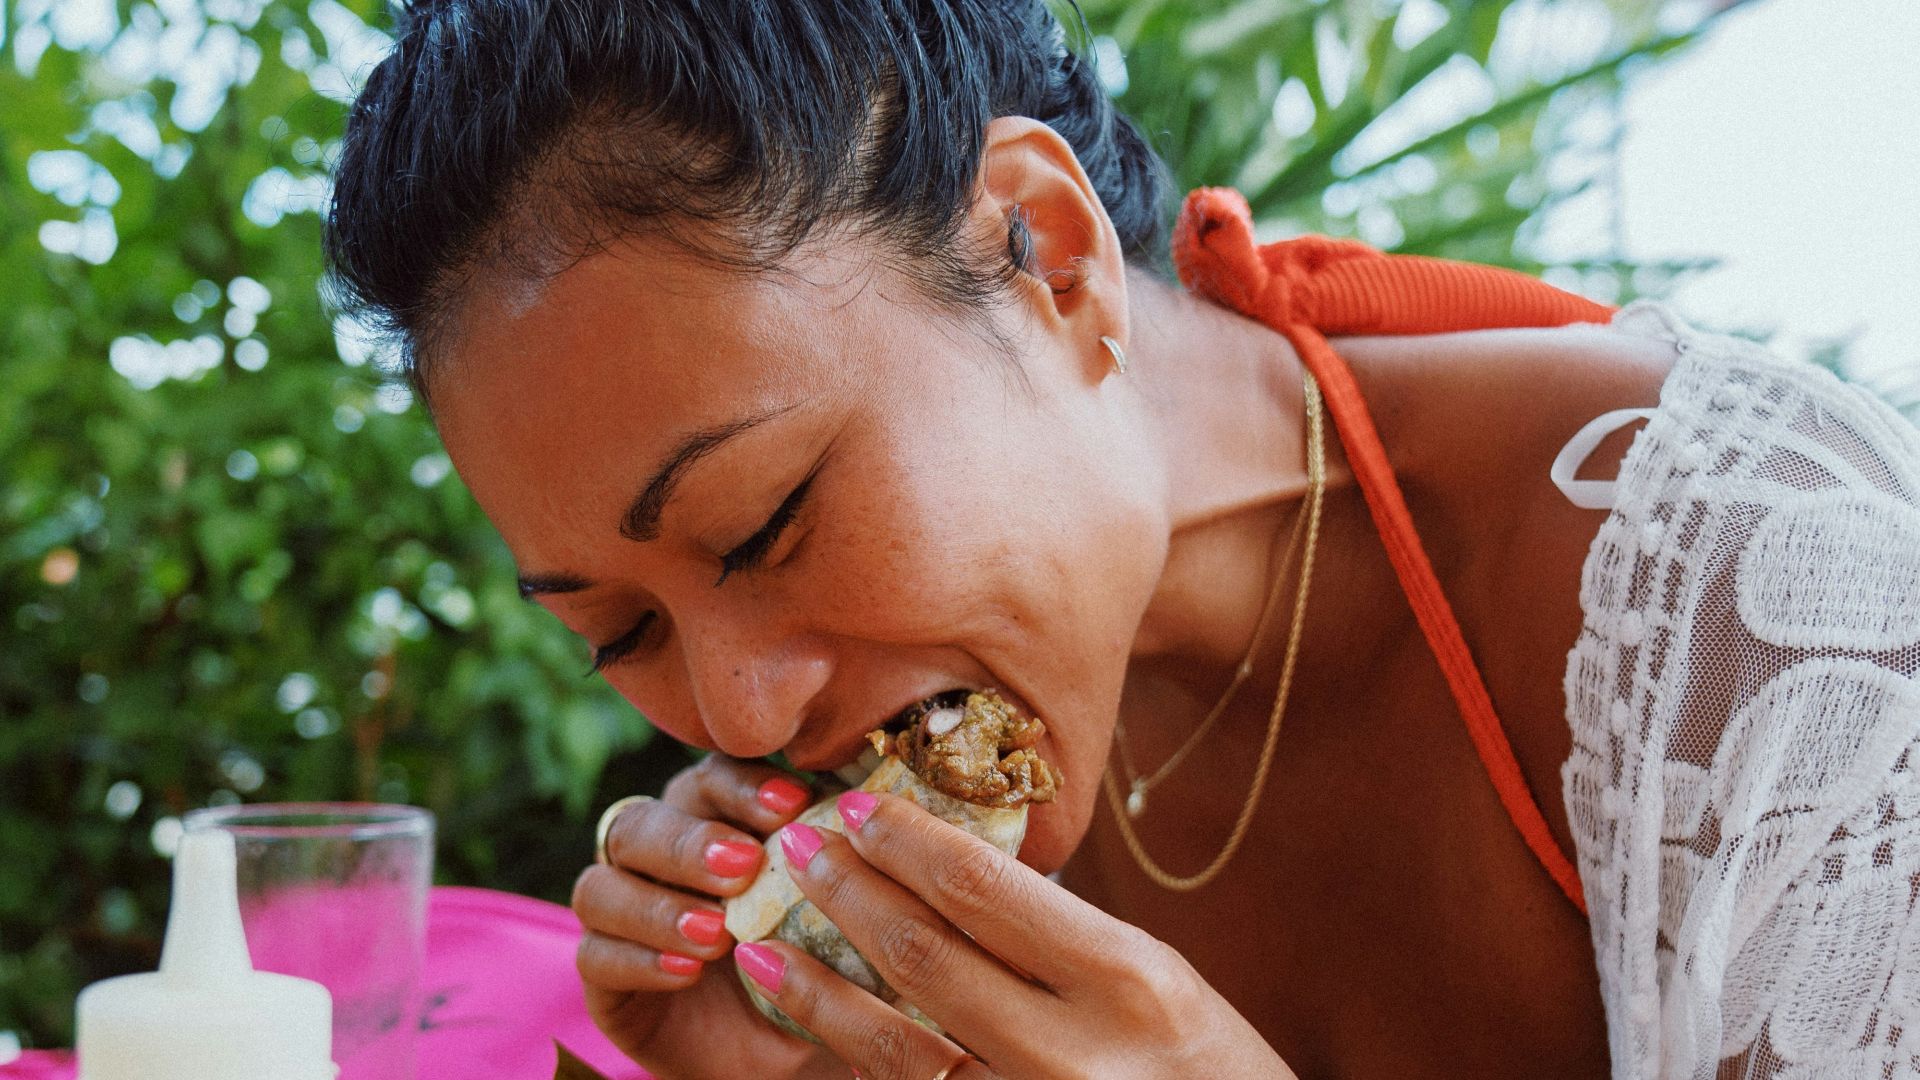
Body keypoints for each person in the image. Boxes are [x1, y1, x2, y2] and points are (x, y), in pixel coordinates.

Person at [322, 2, 1920, 1078]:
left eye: (764, 527)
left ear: (1052, 254)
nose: (740, 712)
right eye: (620, 631)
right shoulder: (973, 731)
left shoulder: (1748, 588)